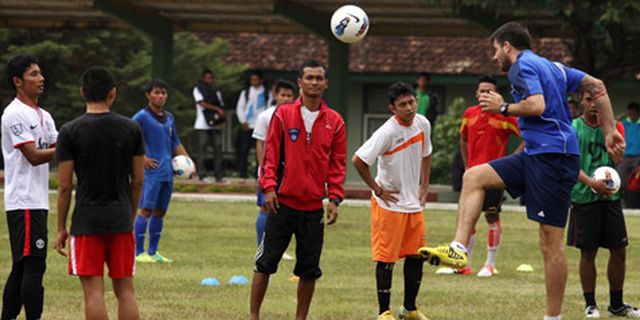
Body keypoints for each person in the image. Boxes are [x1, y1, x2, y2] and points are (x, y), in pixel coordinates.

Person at [418, 21, 625, 320]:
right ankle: (459, 248)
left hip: (553, 157)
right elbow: (597, 86)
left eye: (494, 50)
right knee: (473, 176)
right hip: (536, 153)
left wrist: (503, 108)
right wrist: (608, 130)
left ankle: (553, 318)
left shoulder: (520, 66)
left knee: (550, 242)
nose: (493, 58)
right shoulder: (552, 67)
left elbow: (537, 105)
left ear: (507, 46)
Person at [249, 60, 346, 320]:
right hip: (282, 203)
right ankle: (253, 315)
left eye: (319, 78)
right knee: (265, 263)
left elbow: (337, 165)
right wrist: (268, 187)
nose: (314, 82)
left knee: (309, 269)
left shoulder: (335, 121)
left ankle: (300, 318)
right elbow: (270, 155)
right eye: (309, 78)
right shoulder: (283, 114)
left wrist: (335, 198)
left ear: (326, 83)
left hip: (313, 207)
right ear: (300, 82)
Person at [54, 66, 144, 320]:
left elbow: (64, 185)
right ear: (112, 93)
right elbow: (138, 180)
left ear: (83, 92)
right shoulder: (131, 128)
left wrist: (61, 226)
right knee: (126, 291)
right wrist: (130, 213)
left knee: (93, 293)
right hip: (120, 218)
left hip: (86, 220)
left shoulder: (70, 131)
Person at [352, 82, 432, 320]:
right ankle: (383, 312)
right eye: (402, 105)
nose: (409, 108)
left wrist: (424, 186)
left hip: (413, 204)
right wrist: (377, 189)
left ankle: (409, 309)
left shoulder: (422, 123)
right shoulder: (387, 132)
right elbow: (358, 160)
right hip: (390, 205)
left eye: (411, 102)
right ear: (392, 108)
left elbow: (427, 154)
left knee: (417, 256)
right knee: (386, 260)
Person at [439, 75, 522, 277]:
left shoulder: (505, 116)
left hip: (494, 175)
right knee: (466, 218)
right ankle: (462, 264)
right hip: (472, 177)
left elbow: (527, 138)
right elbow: (463, 140)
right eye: (482, 91)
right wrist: (467, 165)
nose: (485, 94)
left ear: (496, 94)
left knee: (492, 217)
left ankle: (489, 264)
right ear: (476, 93)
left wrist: (512, 160)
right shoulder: (469, 114)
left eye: (489, 91)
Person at [567, 90, 640, 318]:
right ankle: (591, 305)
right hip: (583, 197)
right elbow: (568, 165)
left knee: (619, 251)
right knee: (588, 252)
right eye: (589, 100)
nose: (593, 105)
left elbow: (618, 159)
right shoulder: (572, 129)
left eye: (597, 100)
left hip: (610, 198)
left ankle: (616, 305)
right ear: (582, 102)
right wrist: (591, 182)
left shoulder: (615, 127)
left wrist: (606, 131)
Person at [1, 54, 57, 320]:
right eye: (33, 74)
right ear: (17, 81)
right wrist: (68, 146)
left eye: (40, 73)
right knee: (34, 265)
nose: (41, 78)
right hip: (23, 201)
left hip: (38, 201)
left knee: (23, 267)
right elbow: (34, 156)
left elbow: (59, 147)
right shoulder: (14, 114)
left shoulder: (44, 115)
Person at [133, 79, 195, 264]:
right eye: (156, 93)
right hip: (151, 173)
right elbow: (129, 136)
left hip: (167, 172)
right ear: (148, 95)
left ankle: (153, 252)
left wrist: (189, 163)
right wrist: (142, 158)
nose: (160, 96)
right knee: (145, 210)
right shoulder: (141, 117)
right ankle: (138, 252)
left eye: (163, 93)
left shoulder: (169, 118)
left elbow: (175, 142)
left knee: (160, 211)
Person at [251, 79, 296, 261]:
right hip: (269, 170)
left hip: (289, 172)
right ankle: (261, 247)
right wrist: (262, 170)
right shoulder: (265, 116)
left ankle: (278, 248)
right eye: (282, 95)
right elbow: (260, 144)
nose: (285, 99)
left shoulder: (296, 116)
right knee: (265, 207)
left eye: (289, 96)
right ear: (275, 96)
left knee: (282, 210)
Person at [236, 70, 271, 178]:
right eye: (252, 80)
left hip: (261, 126)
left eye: (256, 80)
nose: (254, 82)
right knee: (244, 150)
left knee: (260, 151)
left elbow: (269, 108)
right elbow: (240, 108)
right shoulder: (245, 93)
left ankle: (258, 173)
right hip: (248, 126)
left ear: (260, 80)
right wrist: (243, 121)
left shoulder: (266, 93)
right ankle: (243, 174)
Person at [193, 69, 226, 182]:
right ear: (203, 78)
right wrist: (217, 109)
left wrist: (221, 112)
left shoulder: (216, 91)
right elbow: (201, 103)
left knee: (218, 148)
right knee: (202, 150)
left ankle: (219, 175)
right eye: (207, 78)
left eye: (211, 78)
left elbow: (221, 104)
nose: (210, 80)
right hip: (202, 124)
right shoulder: (198, 89)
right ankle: (202, 174)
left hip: (215, 124)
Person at [618, 101, 640, 203]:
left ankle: (633, 203)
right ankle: (623, 201)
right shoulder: (623, 124)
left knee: (635, 182)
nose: (632, 116)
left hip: (637, 158)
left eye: (634, 114)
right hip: (624, 156)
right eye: (631, 114)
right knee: (621, 180)